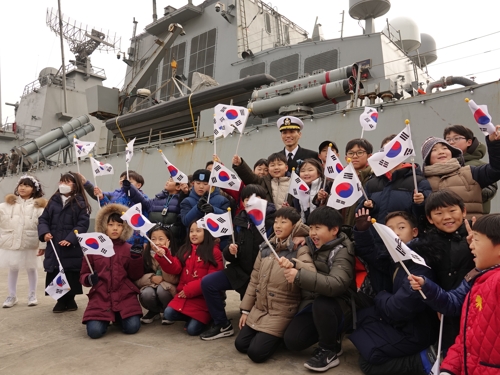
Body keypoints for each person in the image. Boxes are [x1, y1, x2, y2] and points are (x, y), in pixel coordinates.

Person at [350, 210, 440, 375]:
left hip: (417, 331)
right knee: (360, 321)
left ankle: (422, 360)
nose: (395, 233)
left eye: (401, 227)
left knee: (368, 362)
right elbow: (372, 254)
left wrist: (381, 295)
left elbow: (396, 309)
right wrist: (362, 231)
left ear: (414, 232)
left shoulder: (419, 265)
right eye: (390, 229)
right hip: (401, 323)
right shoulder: (397, 258)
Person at [409, 214, 500, 375]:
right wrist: (449, 369)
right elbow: (467, 338)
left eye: (476, 240)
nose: (471, 245)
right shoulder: (478, 275)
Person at [235, 207, 315, 363]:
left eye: (284, 222)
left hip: (282, 311)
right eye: (276, 221)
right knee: (240, 344)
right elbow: (254, 280)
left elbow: (311, 273)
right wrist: (245, 310)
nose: (278, 225)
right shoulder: (266, 247)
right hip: (260, 308)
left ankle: (281, 337)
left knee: (256, 353)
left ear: (295, 226)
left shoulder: (300, 248)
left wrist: (294, 265)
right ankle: (268, 336)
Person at [282, 206, 355, 372]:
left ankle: (329, 349)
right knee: (293, 341)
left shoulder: (343, 251)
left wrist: (299, 276)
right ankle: (327, 331)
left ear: (334, 230)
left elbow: (336, 284)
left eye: (318, 228)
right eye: (311, 227)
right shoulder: (311, 243)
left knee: (323, 304)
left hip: (340, 304)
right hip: (315, 302)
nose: (313, 233)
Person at [200, 185, 276, 341]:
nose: (251, 201)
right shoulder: (239, 219)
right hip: (240, 271)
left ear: (265, 201)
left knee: (248, 328)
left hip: (263, 277)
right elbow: (229, 249)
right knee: (208, 283)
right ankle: (222, 324)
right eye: (247, 199)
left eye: (256, 198)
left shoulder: (274, 221)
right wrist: (230, 250)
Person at [420, 190, 475, 354]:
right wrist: (437, 301)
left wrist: (477, 246)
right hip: (445, 305)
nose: (447, 217)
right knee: (450, 347)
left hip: (474, 302)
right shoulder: (427, 243)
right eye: (438, 213)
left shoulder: (478, 234)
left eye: (452, 210)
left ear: (463, 211)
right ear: (429, 218)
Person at [80, 203, 144, 339]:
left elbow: (135, 275)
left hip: (124, 296)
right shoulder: (93, 248)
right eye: (111, 224)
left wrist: (136, 258)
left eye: (119, 225)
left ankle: (116, 316)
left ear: (125, 227)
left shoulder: (128, 248)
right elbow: (83, 275)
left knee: (132, 327)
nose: (115, 228)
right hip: (100, 297)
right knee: (94, 332)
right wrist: (89, 278)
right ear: (104, 226)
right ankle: (108, 317)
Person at [154, 221, 223, 336]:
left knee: (192, 331)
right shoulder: (185, 250)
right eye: (191, 231)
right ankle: (192, 318)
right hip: (184, 296)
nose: (194, 234)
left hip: (203, 298)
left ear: (207, 233)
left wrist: (188, 290)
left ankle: (207, 317)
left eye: (198, 231)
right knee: (168, 314)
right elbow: (175, 268)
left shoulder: (214, 252)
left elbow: (212, 279)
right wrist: (164, 256)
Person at [38, 172, 90, 313]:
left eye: (67, 182)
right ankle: (60, 301)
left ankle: (70, 299)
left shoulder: (81, 203)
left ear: (75, 186)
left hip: (71, 247)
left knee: (70, 273)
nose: (63, 185)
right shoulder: (53, 201)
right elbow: (43, 220)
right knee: (55, 272)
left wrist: (70, 239)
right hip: (54, 245)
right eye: (62, 181)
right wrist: (44, 233)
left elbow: (82, 224)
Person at [420, 128, 500, 219]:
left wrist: (494, 144)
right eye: (434, 150)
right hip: (437, 232)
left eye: (445, 148)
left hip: (472, 230)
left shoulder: (469, 172)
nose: (441, 152)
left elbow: (496, 169)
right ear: (427, 158)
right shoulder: (421, 180)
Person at [358, 135, 430, 226]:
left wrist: (420, 203)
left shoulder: (418, 181)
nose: (391, 153)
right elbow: (359, 212)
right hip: (377, 237)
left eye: (394, 148)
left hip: (406, 238)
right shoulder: (371, 183)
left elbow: (428, 213)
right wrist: (367, 206)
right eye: (386, 150)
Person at [0, 175, 46, 308]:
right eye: (20, 185)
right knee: (13, 268)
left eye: (26, 185)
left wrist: (43, 245)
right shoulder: (5, 206)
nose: (22, 187)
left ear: (34, 189)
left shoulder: (39, 208)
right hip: (11, 241)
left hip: (30, 242)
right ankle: (11, 295)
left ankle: (32, 295)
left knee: (31, 268)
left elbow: (43, 227)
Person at [84, 171, 149, 250]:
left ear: (139, 185)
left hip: (136, 240)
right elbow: (109, 210)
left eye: (127, 181)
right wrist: (101, 197)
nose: (122, 181)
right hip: (117, 236)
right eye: (121, 179)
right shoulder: (115, 195)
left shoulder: (143, 199)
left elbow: (146, 220)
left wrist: (146, 241)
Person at [443, 124, 498, 214]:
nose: (451, 142)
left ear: (469, 142)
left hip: (475, 217)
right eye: (448, 139)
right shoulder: (444, 166)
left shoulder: (479, 166)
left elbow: (490, 190)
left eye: (456, 138)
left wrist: (466, 190)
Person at [135, 225, 179, 324]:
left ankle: (168, 311)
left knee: (162, 290)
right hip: (150, 285)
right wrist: (151, 278)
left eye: (161, 239)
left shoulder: (175, 255)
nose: (156, 243)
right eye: (153, 239)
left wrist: (164, 257)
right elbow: (136, 278)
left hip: (168, 287)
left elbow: (174, 279)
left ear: (168, 241)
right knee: (147, 293)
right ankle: (154, 311)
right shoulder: (144, 255)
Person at [127, 177, 186, 248]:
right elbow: (142, 201)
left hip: (173, 244)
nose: (167, 182)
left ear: (178, 187)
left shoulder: (183, 202)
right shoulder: (157, 199)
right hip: (153, 242)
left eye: (170, 181)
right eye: (167, 180)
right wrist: (130, 187)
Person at [342, 139, 374, 227]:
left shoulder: (374, 178)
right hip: (341, 229)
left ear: (369, 156)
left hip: (362, 227)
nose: (355, 156)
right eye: (351, 153)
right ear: (346, 158)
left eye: (360, 152)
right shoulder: (341, 178)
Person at [292, 158, 328, 223]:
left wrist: (321, 199)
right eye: (302, 171)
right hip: (303, 225)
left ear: (319, 173)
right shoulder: (297, 188)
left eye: (310, 170)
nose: (306, 173)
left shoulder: (325, 185)